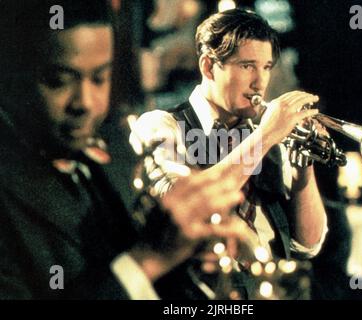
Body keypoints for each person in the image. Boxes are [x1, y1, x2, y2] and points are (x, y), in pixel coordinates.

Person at [0, 0, 246, 299]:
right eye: (59, 81)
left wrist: (191, 254)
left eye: (100, 78)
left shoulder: (115, 150)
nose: (86, 103)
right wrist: (150, 260)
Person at [135, 8, 328, 299]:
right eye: (247, 66)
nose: (260, 82)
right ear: (208, 67)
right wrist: (265, 136)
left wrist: (304, 169)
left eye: (266, 67)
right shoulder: (161, 125)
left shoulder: (268, 137)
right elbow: (191, 207)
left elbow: (308, 243)